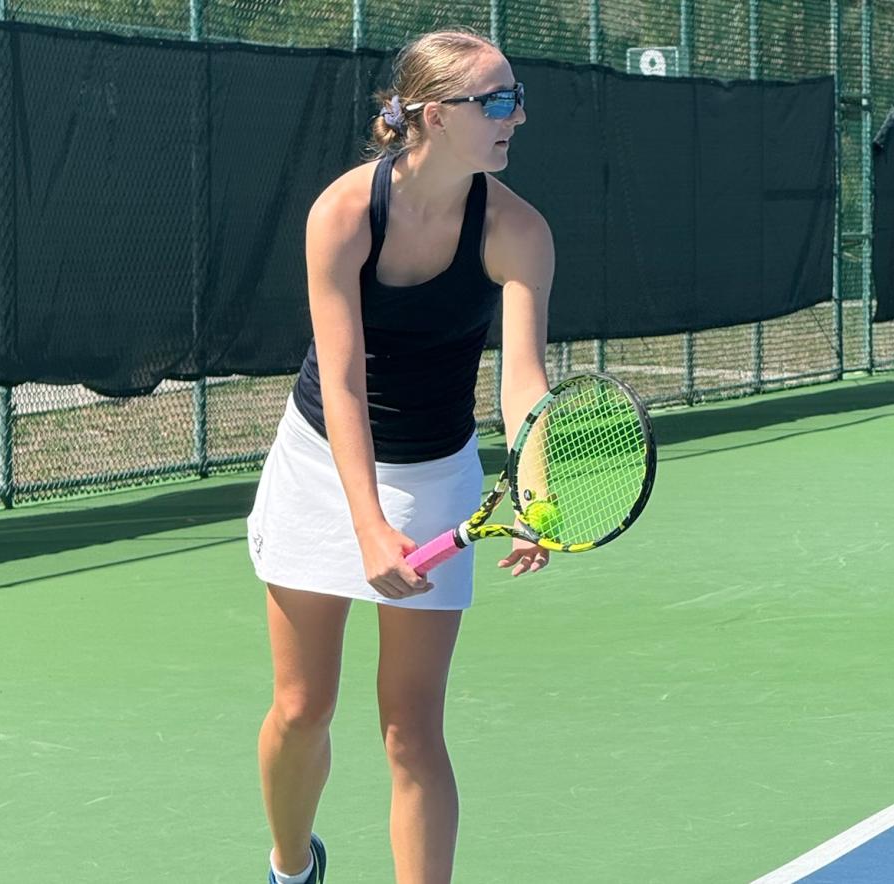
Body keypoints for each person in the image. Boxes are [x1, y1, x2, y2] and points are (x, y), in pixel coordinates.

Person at [246, 28, 554, 884]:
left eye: (516, 98)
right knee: (303, 707)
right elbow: (341, 382)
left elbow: (522, 384)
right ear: (431, 116)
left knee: (411, 727)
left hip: (437, 475)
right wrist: (367, 525)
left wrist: (533, 488)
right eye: (495, 102)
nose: (515, 116)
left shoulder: (519, 231)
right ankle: (291, 864)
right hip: (321, 466)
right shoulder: (343, 213)